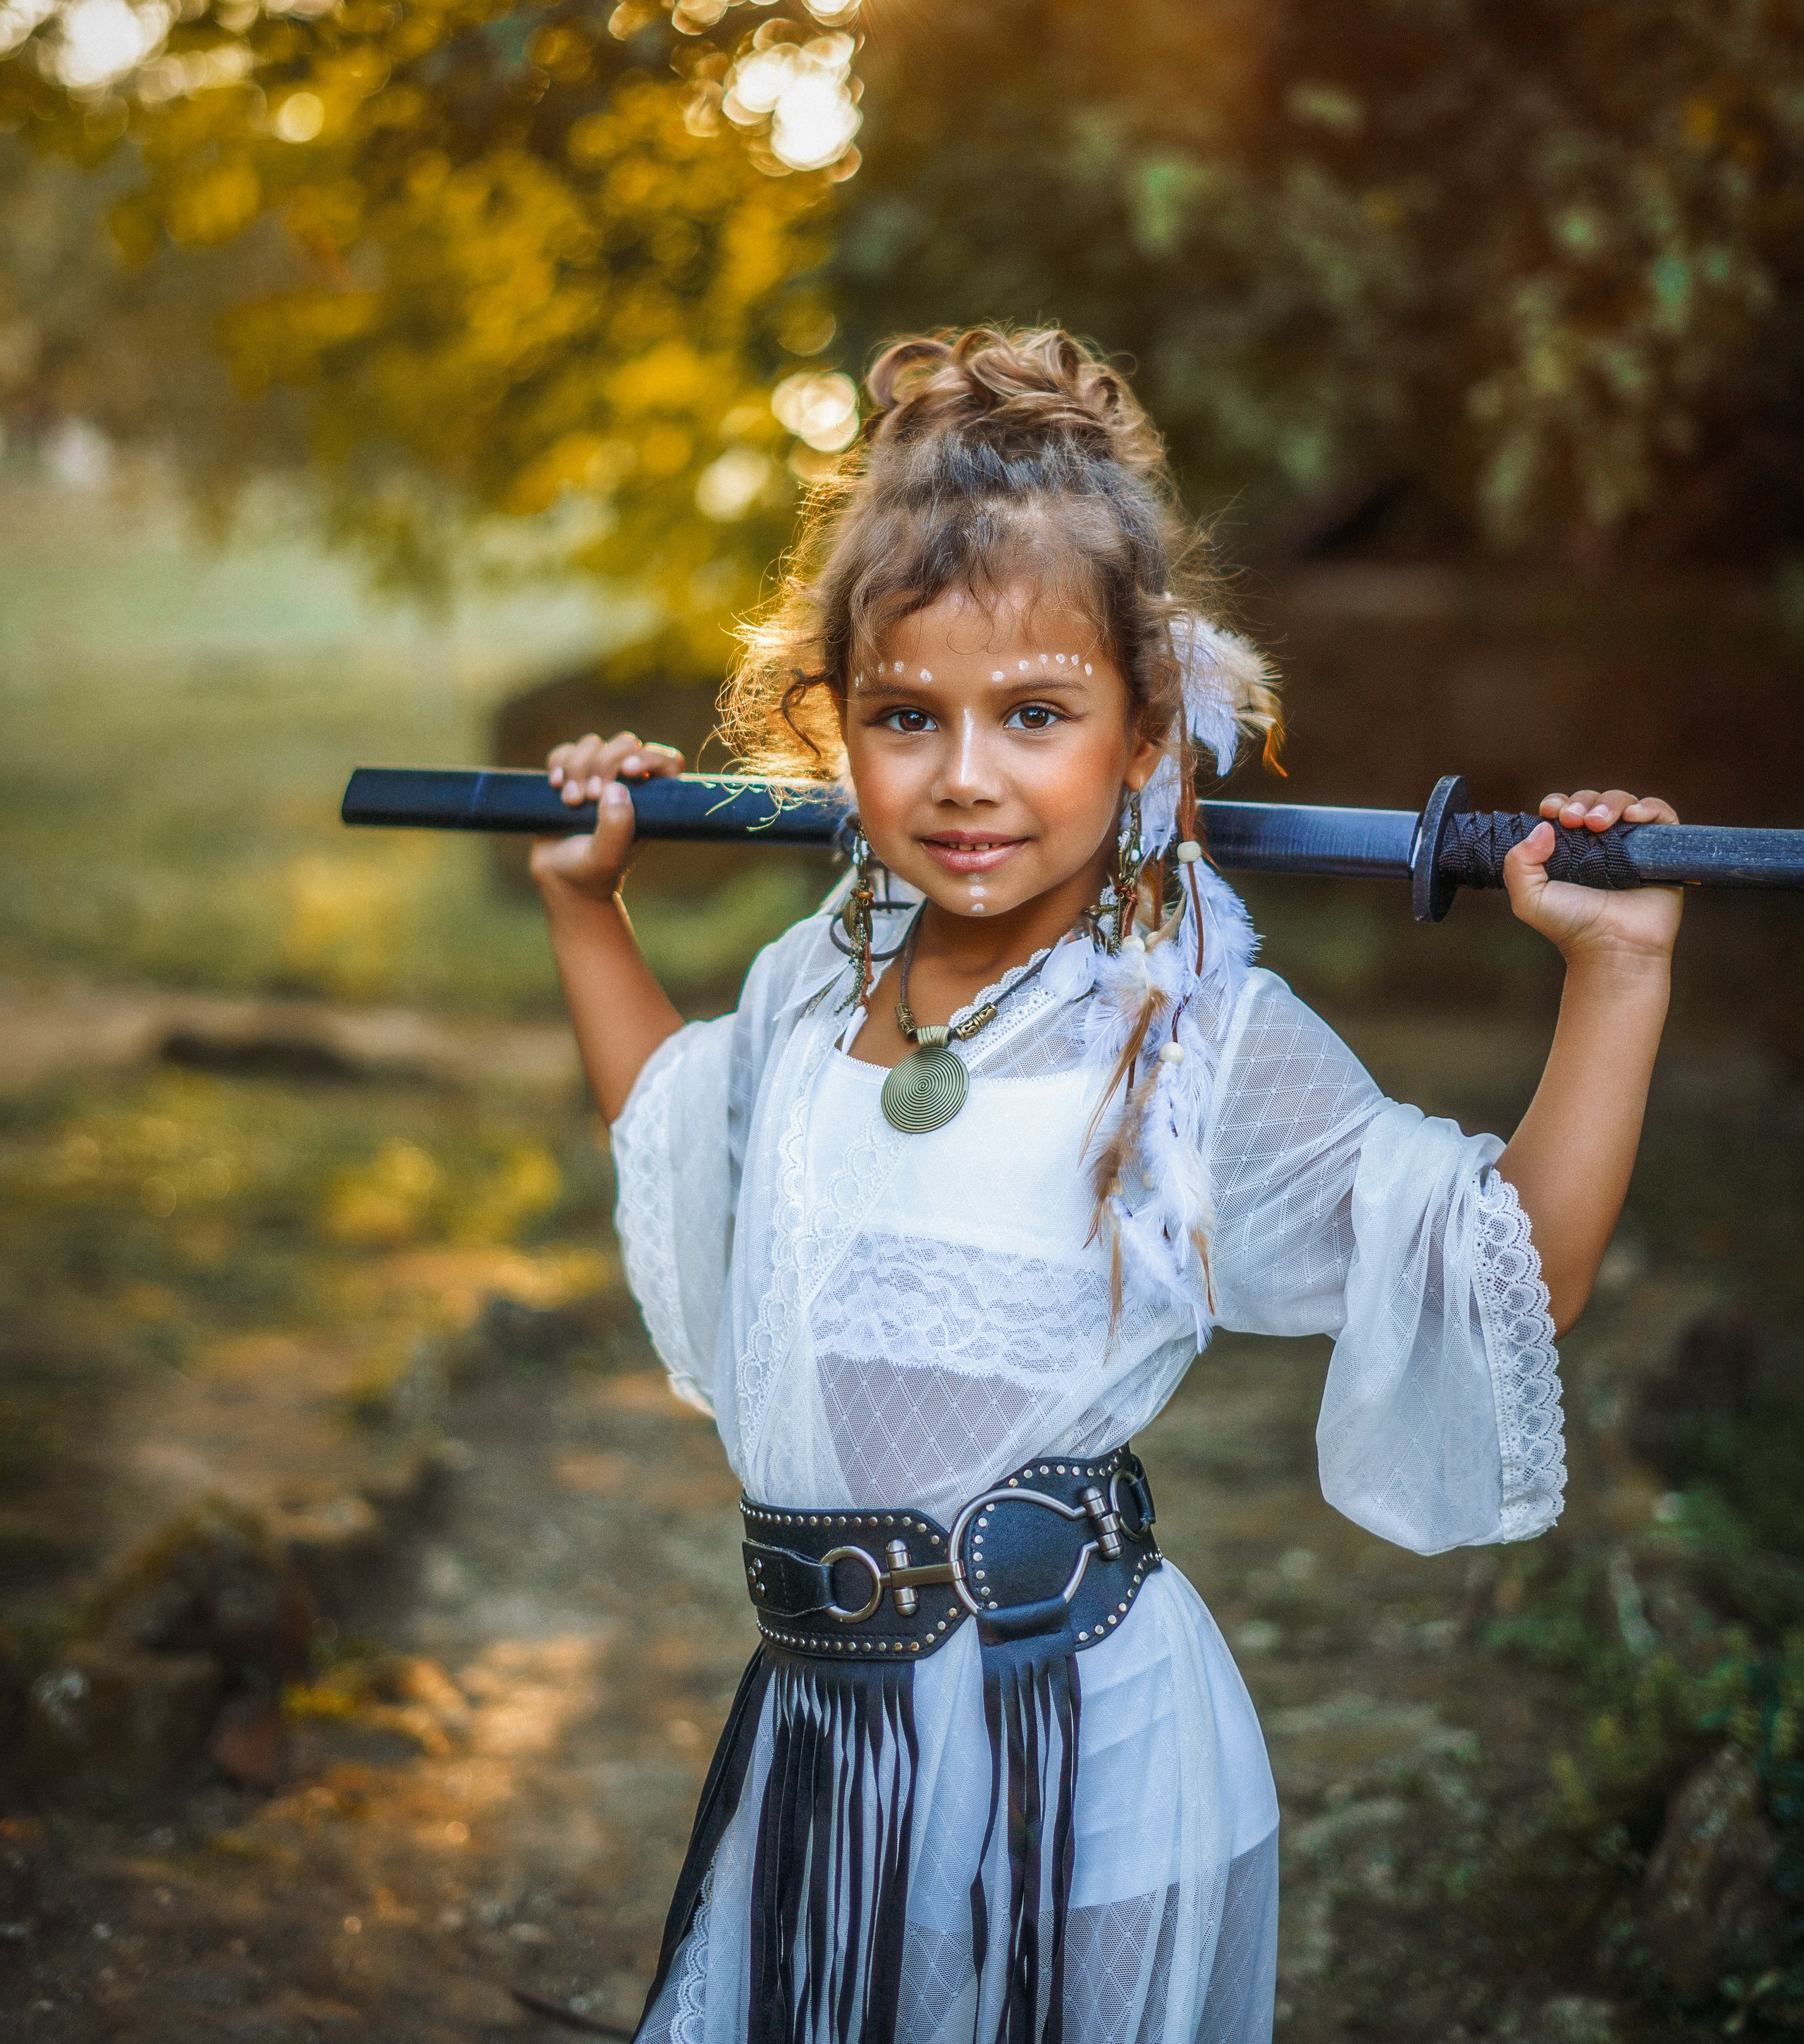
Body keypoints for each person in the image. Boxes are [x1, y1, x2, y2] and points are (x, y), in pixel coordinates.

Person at [530, 328, 1681, 2044]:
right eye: (904, 716)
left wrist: (1616, 975)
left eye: (1036, 714)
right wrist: (583, 910)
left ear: (1145, 739)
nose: (964, 774)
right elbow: (689, 1144)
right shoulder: (806, 982)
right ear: (826, 727)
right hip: (821, 1739)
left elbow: (1508, 1261)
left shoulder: (1194, 1030)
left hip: (1085, 1756)